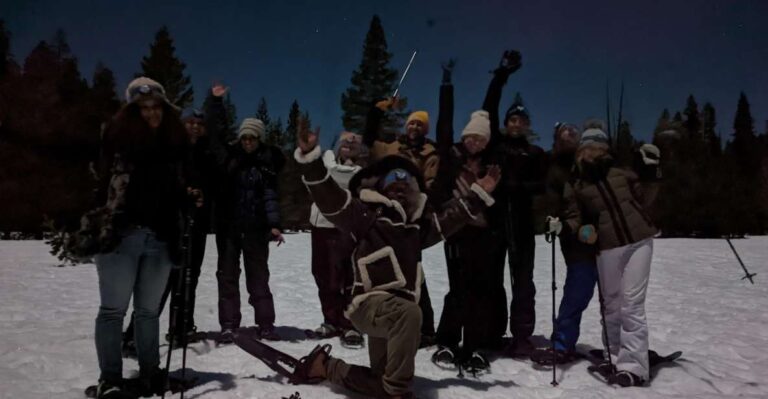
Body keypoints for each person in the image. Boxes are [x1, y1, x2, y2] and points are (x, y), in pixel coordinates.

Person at [286, 120, 499, 398]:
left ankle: (325, 367)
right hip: (369, 306)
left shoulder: (416, 229)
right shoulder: (364, 217)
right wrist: (312, 161)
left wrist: (478, 194)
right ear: (380, 186)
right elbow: (330, 199)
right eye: (392, 181)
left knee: (385, 381)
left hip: (393, 316)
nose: (399, 186)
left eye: (406, 183)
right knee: (410, 320)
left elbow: (450, 219)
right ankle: (396, 392)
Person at [91, 77, 197, 398]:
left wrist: (188, 198)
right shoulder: (115, 140)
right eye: (143, 108)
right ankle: (110, 379)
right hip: (120, 237)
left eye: (156, 107)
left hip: (161, 238)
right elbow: (97, 184)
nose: (150, 113)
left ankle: (151, 373)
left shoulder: (174, 147)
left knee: (149, 311)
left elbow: (175, 190)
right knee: (113, 310)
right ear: (132, 111)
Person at [547, 121, 662, 387]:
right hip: (607, 248)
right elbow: (575, 218)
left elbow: (646, 197)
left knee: (631, 304)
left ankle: (634, 368)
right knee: (610, 305)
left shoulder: (621, 172)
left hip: (639, 241)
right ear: (581, 151)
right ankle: (614, 358)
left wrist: (652, 170)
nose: (594, 152)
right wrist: (562, 226)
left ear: (605, 149)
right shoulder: (576, 183)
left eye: (599, 147)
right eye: (589, 147)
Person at [430, 59, 507, 371]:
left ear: (488, 141)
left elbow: (490, 110)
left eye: (481, 137)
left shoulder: (492, 164)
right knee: (457, 290)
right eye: (470, 136)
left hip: (485, 234)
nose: (474, 141)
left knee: (480, 291)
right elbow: (444, 123)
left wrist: (498, 80)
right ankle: (447, 342)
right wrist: (447, 83)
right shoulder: (452, 158)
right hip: (456, 231)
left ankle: (475, 346)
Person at [121, 108, 216, 354]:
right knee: (160, 281)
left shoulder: (207, 153)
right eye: (190, 122)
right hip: (169, 224)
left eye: (199, 123)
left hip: (197, 224)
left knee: (188, 279)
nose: (195, 127)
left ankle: (180, 329)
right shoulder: (170, 150)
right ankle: (134, 335)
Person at [206, 84, 286, 343]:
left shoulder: (266, 165)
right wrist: (216, 103)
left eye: (252, 137)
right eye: (244, 137)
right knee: (227, 277)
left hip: (256, 229)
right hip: (228, 228)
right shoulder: (229, 158)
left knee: (259, 278)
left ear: (259, 139)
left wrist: (274, 224)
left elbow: (270, 197)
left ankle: (265, 324)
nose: (248, 141)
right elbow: (215, 134)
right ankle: (229, 324)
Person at [482, 49, 547, 356]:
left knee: (523, 283)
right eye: (512, 119)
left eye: (521, 120)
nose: (516, 123)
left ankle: (522, 336)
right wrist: (502, 75)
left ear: (527, 125)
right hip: (493, 224)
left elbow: (542, 185)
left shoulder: (534, 154)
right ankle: (493, 333)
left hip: (521, 225)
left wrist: (517, 186)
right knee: (492, 281)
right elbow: (489, 107)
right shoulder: (495, 145)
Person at [363, 97, 440, 347]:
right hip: (386, 217)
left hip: (413, 220)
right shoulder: (392, 147)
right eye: (411, 124)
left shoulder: (430, 153)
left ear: (425, 130)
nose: (414, 128)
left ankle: (426, 328)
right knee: (387, 270)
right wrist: (377, 111)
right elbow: (368, 140)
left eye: (419, 125)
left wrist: (416, 205)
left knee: (414, 271)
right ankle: (389, 321)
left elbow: (430, 185)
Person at [530, 123, 599, 364]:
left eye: (574, 134)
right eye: (564, 134)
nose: (570, 137)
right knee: (577, 292)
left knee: (616, 298)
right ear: (556, 139)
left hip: (609, 239)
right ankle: (562, 343)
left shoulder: (592, 165)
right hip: (575, 238)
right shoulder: (551, 166)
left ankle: (623, 347)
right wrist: (552, 223)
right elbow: (548, 201)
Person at [308, 130, 368, 347]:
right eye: (344, 143)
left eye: (353, 145)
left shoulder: (361, 171)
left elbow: (343, 176)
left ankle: (351, 325)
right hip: (320, 224)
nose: (348, 146)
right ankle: (330, 319)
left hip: (345, 226)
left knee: (347, 276)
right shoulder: (325, 162)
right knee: (322, 273)